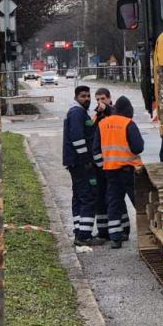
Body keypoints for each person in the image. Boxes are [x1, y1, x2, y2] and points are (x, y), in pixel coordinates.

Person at [98, 96, 145, 249]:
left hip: (110, 171)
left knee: (114, 204)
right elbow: (138, 147)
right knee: (139, 202)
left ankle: (115, 238)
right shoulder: (128, 124)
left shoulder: (103, 124)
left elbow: (96, 150)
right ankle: (147, 232)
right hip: (129, 170)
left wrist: (103, 165)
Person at [62, 84, 101, 245]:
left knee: (78, 196)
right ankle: (84, 235)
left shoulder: (79, 112)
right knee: (88, 196)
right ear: (76, 97)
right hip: (80, 163)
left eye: (88, 96)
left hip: (75, 162)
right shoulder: (77, 113)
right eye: (83, 96)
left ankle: (79, 229)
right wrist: (86, 160)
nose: (87, 99)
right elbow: (78, 139)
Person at [89, 87, 114, 242]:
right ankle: (103, 231)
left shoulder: (115, 112)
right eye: (97, 99)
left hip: (113, 163)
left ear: (110, 98)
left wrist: (108, 110)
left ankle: (120, 230)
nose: (100, 102)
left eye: (103, 98)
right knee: (100, 198)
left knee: (113, 199)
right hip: (99, 165)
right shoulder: (96, 116)